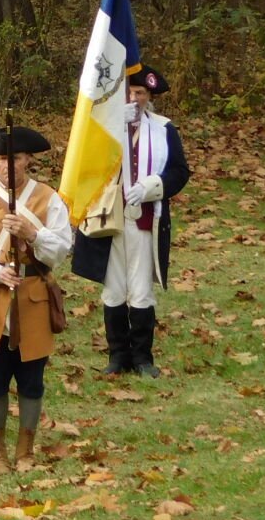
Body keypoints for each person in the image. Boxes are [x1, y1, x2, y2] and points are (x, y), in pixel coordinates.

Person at [0, 125, 73, 471]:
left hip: (33, 298)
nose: (9, 166)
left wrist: (33, 234)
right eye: (2, 159)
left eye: (16, 159)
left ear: (27, 161)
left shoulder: (48, 198)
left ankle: (26, 450)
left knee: (32, 381)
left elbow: (62, 248)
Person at [72, 65, 190, 378]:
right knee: (113, 288)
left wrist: (152, 187)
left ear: (149, 97)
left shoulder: (164, 129)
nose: (135, 98)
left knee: (140, 289)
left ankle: (143, 358)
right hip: (109, 218)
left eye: (141, 93)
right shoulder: (102, 129)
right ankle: (117, 355)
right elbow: (83, 167)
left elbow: (179, 172)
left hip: (146, 220)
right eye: (130, 92)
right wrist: (109, 136)